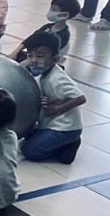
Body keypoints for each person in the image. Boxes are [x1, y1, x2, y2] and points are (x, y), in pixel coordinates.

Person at [21, 31, 86, 164]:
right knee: (24, 135)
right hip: (49, 123)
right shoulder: (42, 74)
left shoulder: (57, 79)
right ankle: (58, 142)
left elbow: (80, 98)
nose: (33, 60)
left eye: (40, 56)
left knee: (30, 151)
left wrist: (56, 108)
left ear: (55, 59)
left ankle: (68, 146)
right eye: (30, 55)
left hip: (65, 128)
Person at [10, 0, 80, 65]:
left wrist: (26, 62)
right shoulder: (47, 27)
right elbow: (31, 39)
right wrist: (15, 52)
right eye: (51, 9)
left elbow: (46, 54)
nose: (50, 12)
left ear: (64, 15)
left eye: (54, 10)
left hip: (48, 63)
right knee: (18, 56)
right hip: (36, 58)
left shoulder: (64, 35)